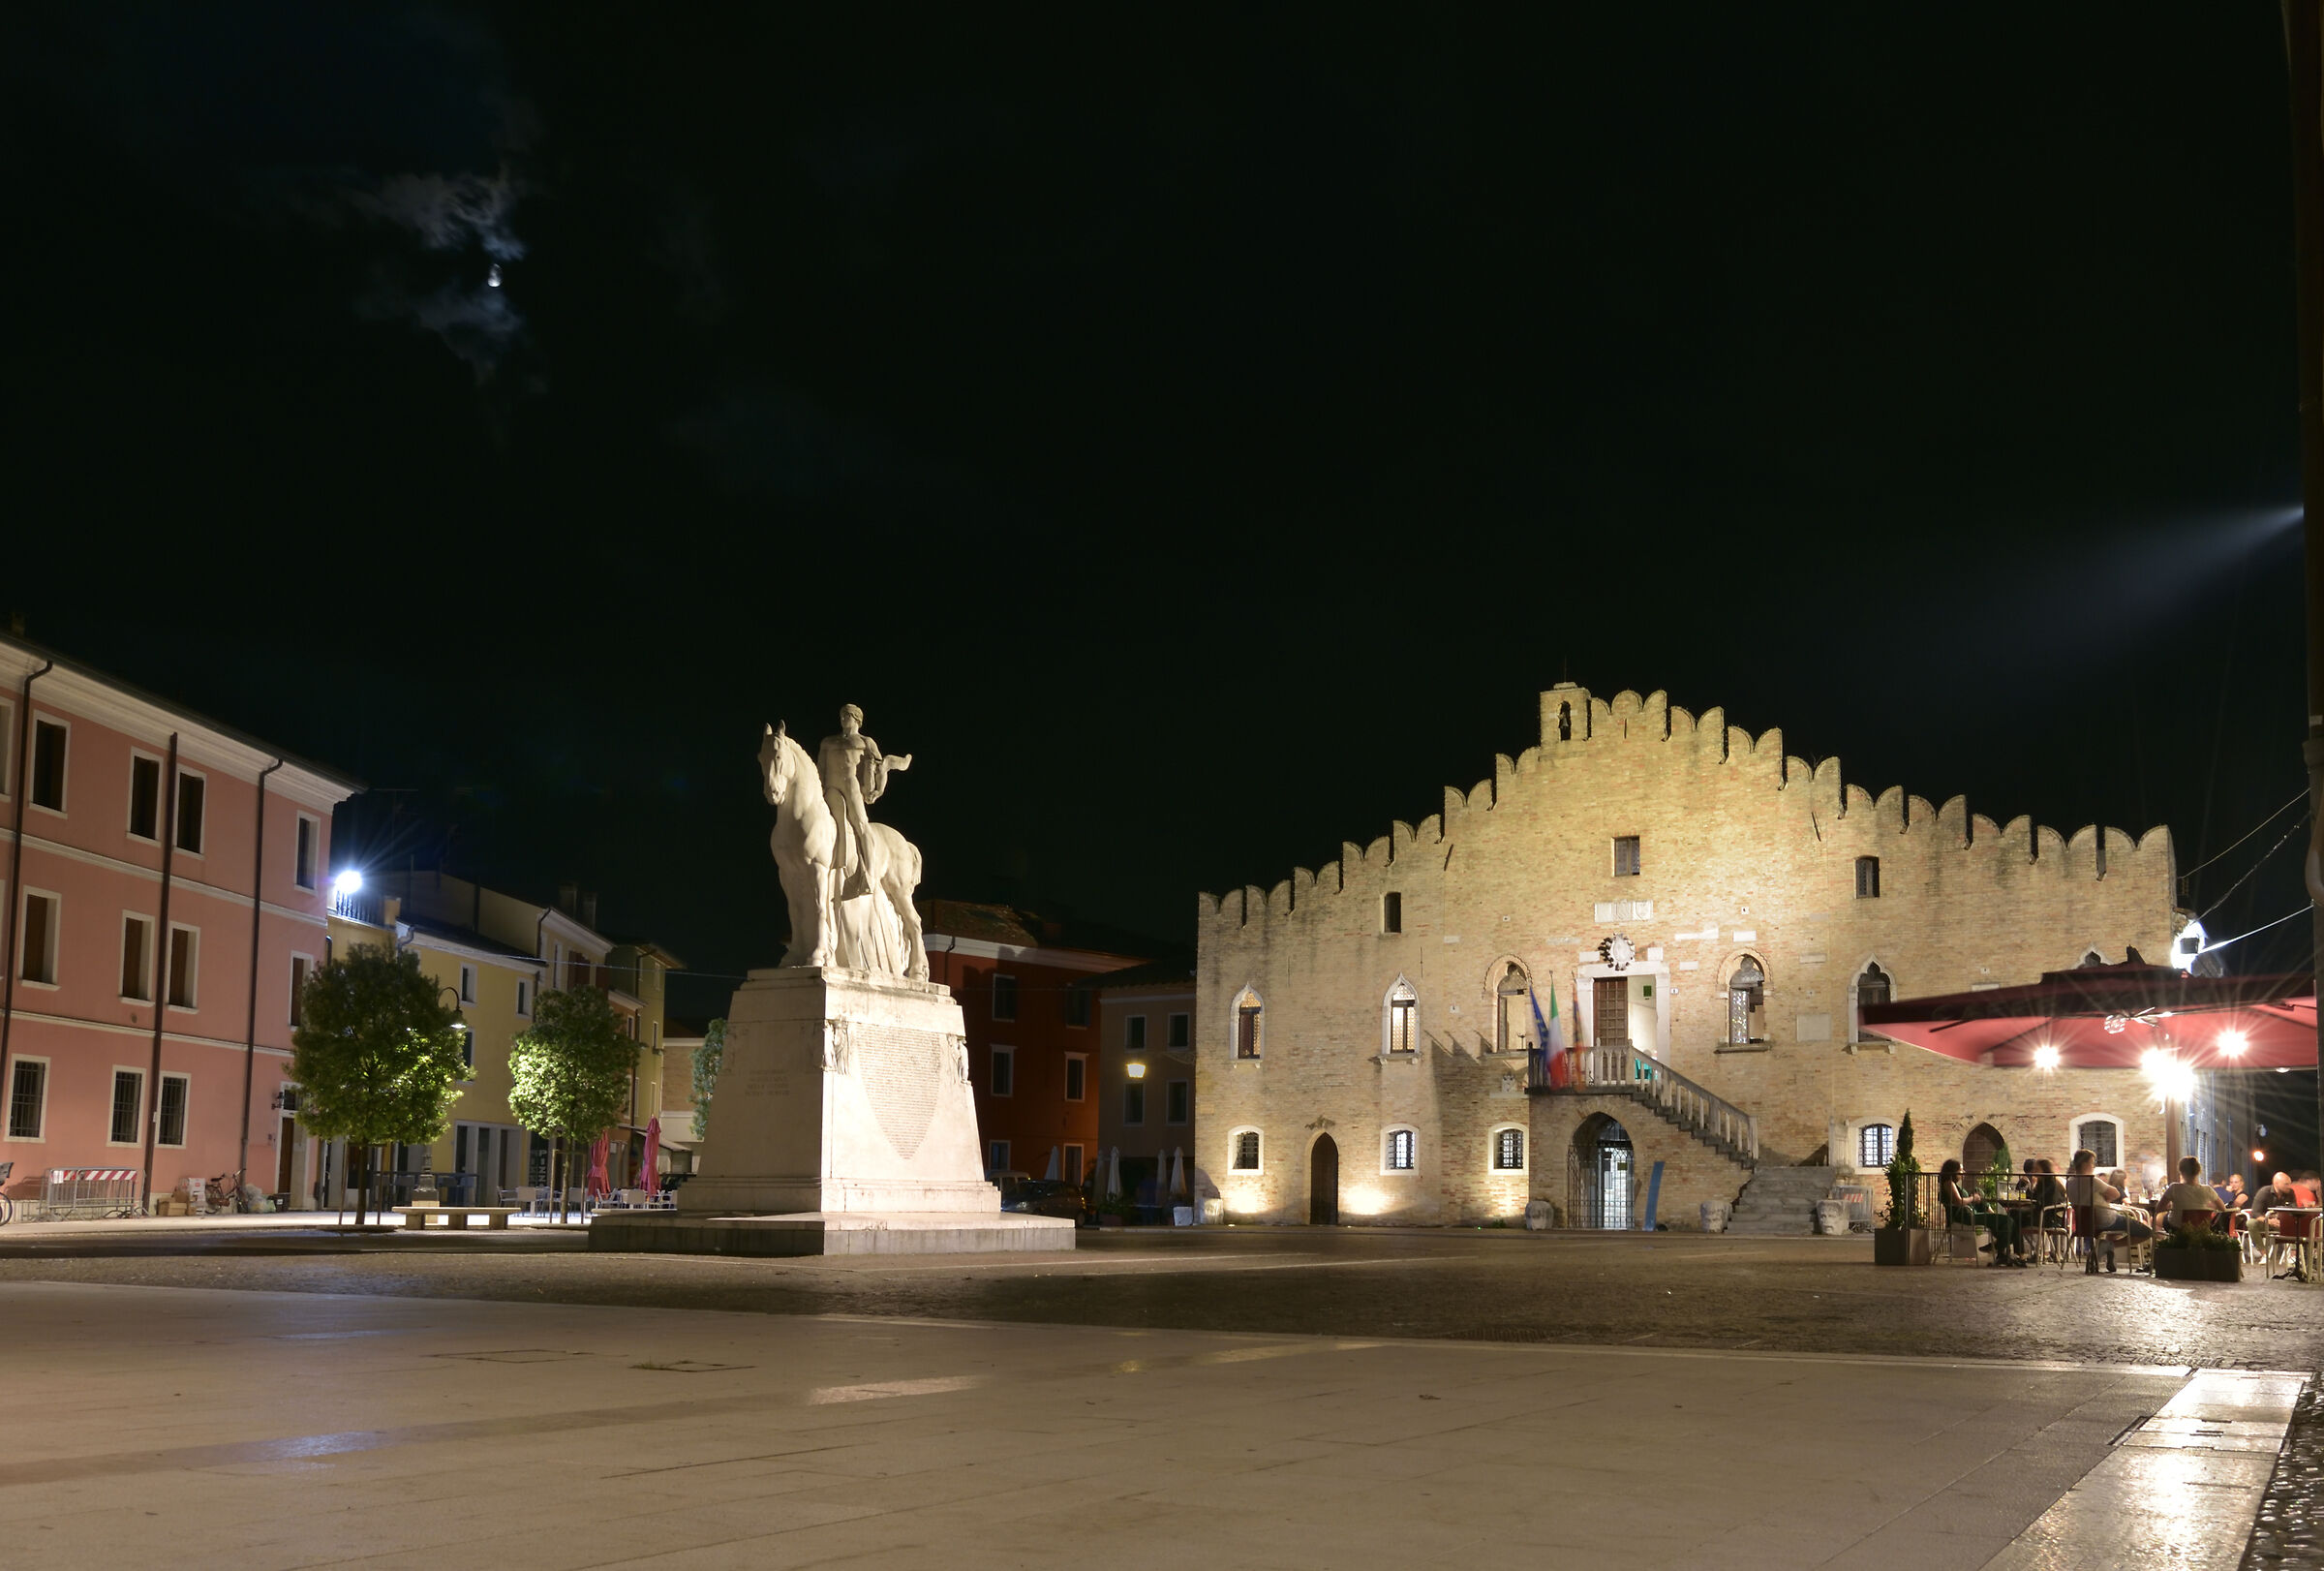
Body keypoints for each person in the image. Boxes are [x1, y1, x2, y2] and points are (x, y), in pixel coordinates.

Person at [2065, 1149, 2153, 1274]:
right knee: (2146, 1232)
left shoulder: (2070, 1182)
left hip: (2083, 1223)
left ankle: (2109, 1252)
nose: (2093, 1166)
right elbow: (2116, 1193)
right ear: (2085, 1164)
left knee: (2115, 1223)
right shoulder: (2093, 1181)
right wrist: (2105, 1198)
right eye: (2092, 1163)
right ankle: (2110, 1245)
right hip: (2104, 1219)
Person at [1939, 1158, 2028, 1265]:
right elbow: (1958, 1201)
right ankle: (1998, 1248)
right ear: (1953, 1171)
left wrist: (1975, 1198)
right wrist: (1973, 1198)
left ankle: (1999, 1249)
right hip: (1965, 1218)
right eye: (1961, 1170)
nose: (1963, 1173)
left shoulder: (1952, 1184)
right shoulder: (1949, 1183)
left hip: (1968, 1215)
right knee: (2008, 1221)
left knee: (2008, 1222)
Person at [2156, 1156, 2223, 1229]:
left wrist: (2170, 1207)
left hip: (2177, 1227)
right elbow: (2222, 1208)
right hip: (2201, 1228)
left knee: (2159, 1219)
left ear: (2181, 1172)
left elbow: (2159, 1208)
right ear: (2198, 1172)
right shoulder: (2208, 1189)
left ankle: (2161, 1239)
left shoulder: (2174, 1188)